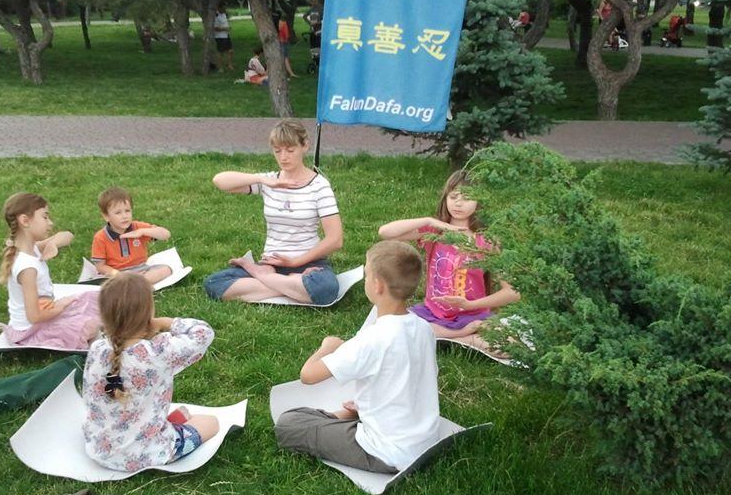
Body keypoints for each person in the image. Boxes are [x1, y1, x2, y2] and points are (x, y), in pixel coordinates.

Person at [274, 241, 442, 473]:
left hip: (386, 453)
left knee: (290, 423)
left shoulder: (372, 339)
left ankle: (343, 417)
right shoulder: (424, 328)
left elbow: (308, 376)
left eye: (366, 275)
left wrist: (327, 347)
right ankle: (354, 412)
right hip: (424, 440)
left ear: (377, 285)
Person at [82, 273, 219, 473]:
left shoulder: (97, 349)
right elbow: (203, 333)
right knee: (211, 423)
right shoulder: (159, 352)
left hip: (98, 448)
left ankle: (165, 423)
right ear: (149, 312)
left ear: (104, 315)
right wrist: (166, 322)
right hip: (145, 454)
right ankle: (168, 429)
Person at [377, 169, 520, 357]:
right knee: (391, 326)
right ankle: (461, 337)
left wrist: (471, 305)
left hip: (474, 315)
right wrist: (430, 221)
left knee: (511, 345)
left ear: (479, 203)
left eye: (467, 197)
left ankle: (448, 337)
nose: (458, 203)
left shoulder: (486, 242)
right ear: (445, 198)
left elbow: (513, 292)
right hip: (433, 315)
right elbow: (385, 232)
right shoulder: (434, 233)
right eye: (453, 197)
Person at [203, 119, 342, 305]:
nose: (283, 157)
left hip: (308, 263)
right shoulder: (269, 181)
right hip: (272, 263)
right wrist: (263, 180)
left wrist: (294, 263)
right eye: (278, 151)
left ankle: (259, 276)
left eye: (290, 150)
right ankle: (291, 287)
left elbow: (335, 239)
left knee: (326, 289)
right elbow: (220, 181)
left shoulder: (319, 186)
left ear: (305, 146)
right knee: (214, 283)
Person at [0, 192, 101, 349]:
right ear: (25, 220)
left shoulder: (32, 248)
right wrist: (62, 306)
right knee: (89, 325)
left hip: (46, 312)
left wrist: (53, 244)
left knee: (98, 296)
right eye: (45, 217)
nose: (50, 223)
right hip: (32, 330)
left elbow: (67, 236)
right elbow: (34, 316)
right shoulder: (27, 268)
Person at [91, 187, 172, 285]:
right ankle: (137, 284)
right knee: (109, 282)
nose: (124, 216)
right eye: (118, 212)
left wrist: (142, 232)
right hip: (118, 273)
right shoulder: (100, 237)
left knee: (166, 269)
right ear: (106, 216)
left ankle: (137, 283)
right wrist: (118, 274)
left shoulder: (138, 227)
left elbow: (166, 234)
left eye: (127, 211)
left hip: (142, 269)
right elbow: (100, 266)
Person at [213, 3, 234, 72]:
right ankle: (220, 67)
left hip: (226, 35)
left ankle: (229, 64)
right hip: (220, 37)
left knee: (230, 51)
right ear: (219, 8)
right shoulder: (216, 16)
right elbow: (215, 28)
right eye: (224, 8)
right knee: (220, 52)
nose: (225, 9)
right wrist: (225, 29)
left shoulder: (224, 14)